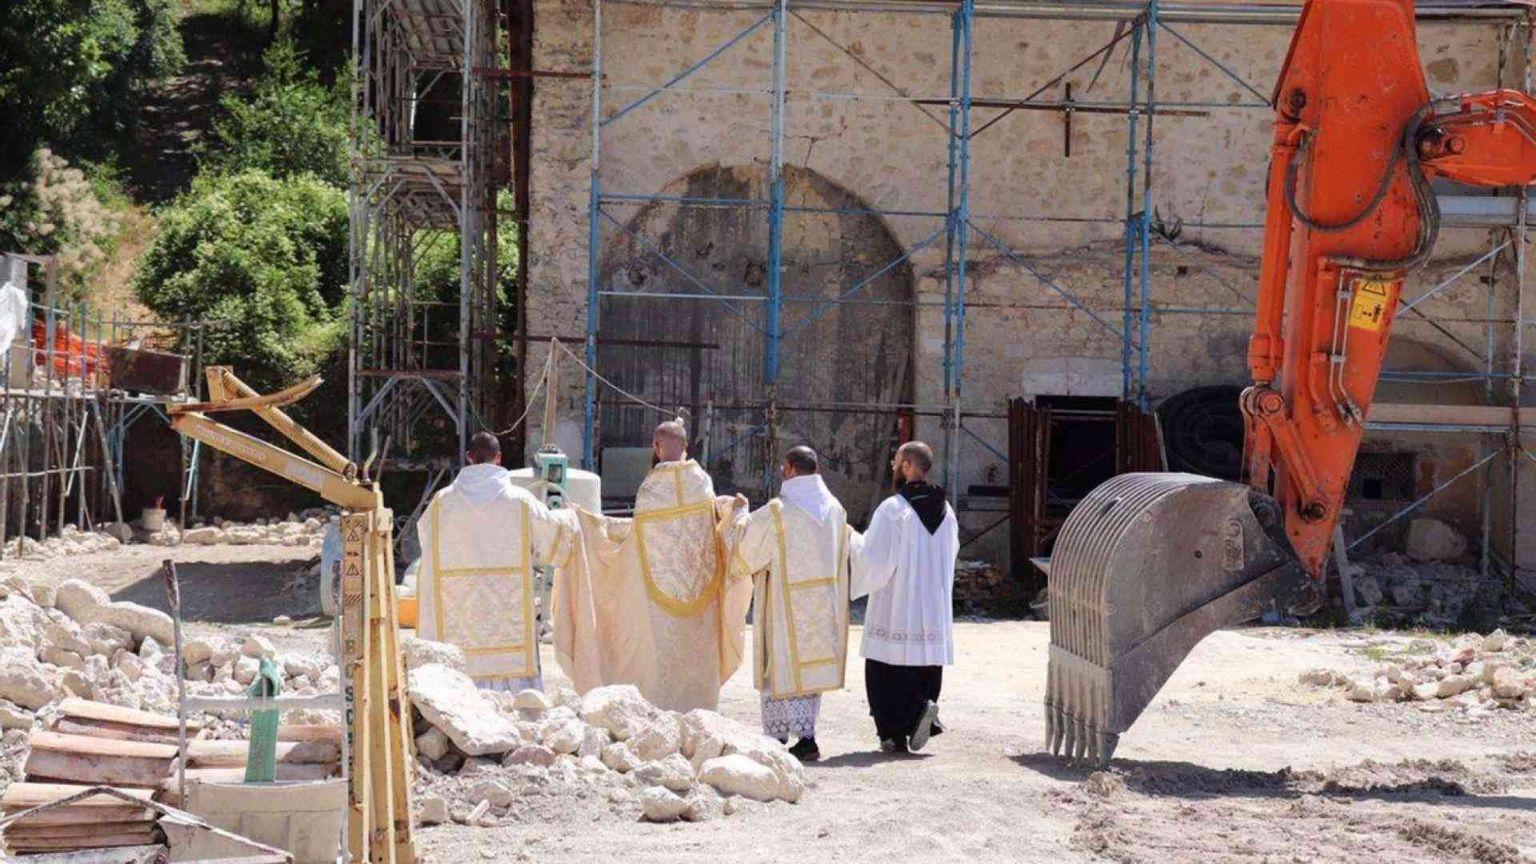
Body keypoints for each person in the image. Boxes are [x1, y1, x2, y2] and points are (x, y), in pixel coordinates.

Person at [552, 419, 753, 712]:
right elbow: (718, 521)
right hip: (702, 600)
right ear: (686, 447)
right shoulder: (701, 483)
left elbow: (635, 537)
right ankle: (700, 715)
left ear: (657, 448)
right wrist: (733, 508)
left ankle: (658, 714)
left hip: (657, 606)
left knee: (659, 659)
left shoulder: (651, 490)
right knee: (697, 658)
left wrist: (589, 523)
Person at [415, 431, 576, 691]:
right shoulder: (521, 501)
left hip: (459, 605)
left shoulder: (441, 503)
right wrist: (570, 519)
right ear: (499, 458)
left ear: (468, 458)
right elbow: (553, 540)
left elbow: (426, 543)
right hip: (507, 610)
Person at [723, 446, 853, 762]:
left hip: (785, 605)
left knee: (780, 664)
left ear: (790, 469)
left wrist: (738, 512)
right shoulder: (836, 510)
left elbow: (745, 546)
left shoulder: (780, 511)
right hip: (822, 606)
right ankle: (806, 736)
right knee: (806, 675)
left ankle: (779, 736)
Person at [852, 440, 957, 754]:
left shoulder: (894, 510)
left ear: (909, 465)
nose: (892, 467)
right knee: (925, 663)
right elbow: (950, 556)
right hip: (933, 606)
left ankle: (893, 734)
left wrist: (849, 542)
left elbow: (875, 559)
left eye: (896, 461)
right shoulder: (947, 511)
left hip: (897, 604)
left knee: (886, 668)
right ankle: (923, 710)